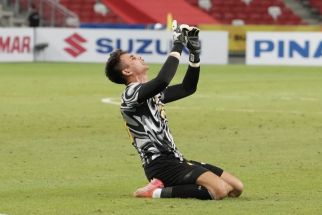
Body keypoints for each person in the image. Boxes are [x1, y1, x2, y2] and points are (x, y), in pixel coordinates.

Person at [105, 21, 244, 200]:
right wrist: (178, 44)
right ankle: (154, 192)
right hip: (160, 164)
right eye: (132, 58)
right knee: (220, 190)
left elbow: (187, 88)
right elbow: (163, 80)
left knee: (236, 187)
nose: (138, 57)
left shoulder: (151, 94)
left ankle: (173, 185)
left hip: (176, 159)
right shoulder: (130, 94)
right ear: (126, 71)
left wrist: (194, 53)